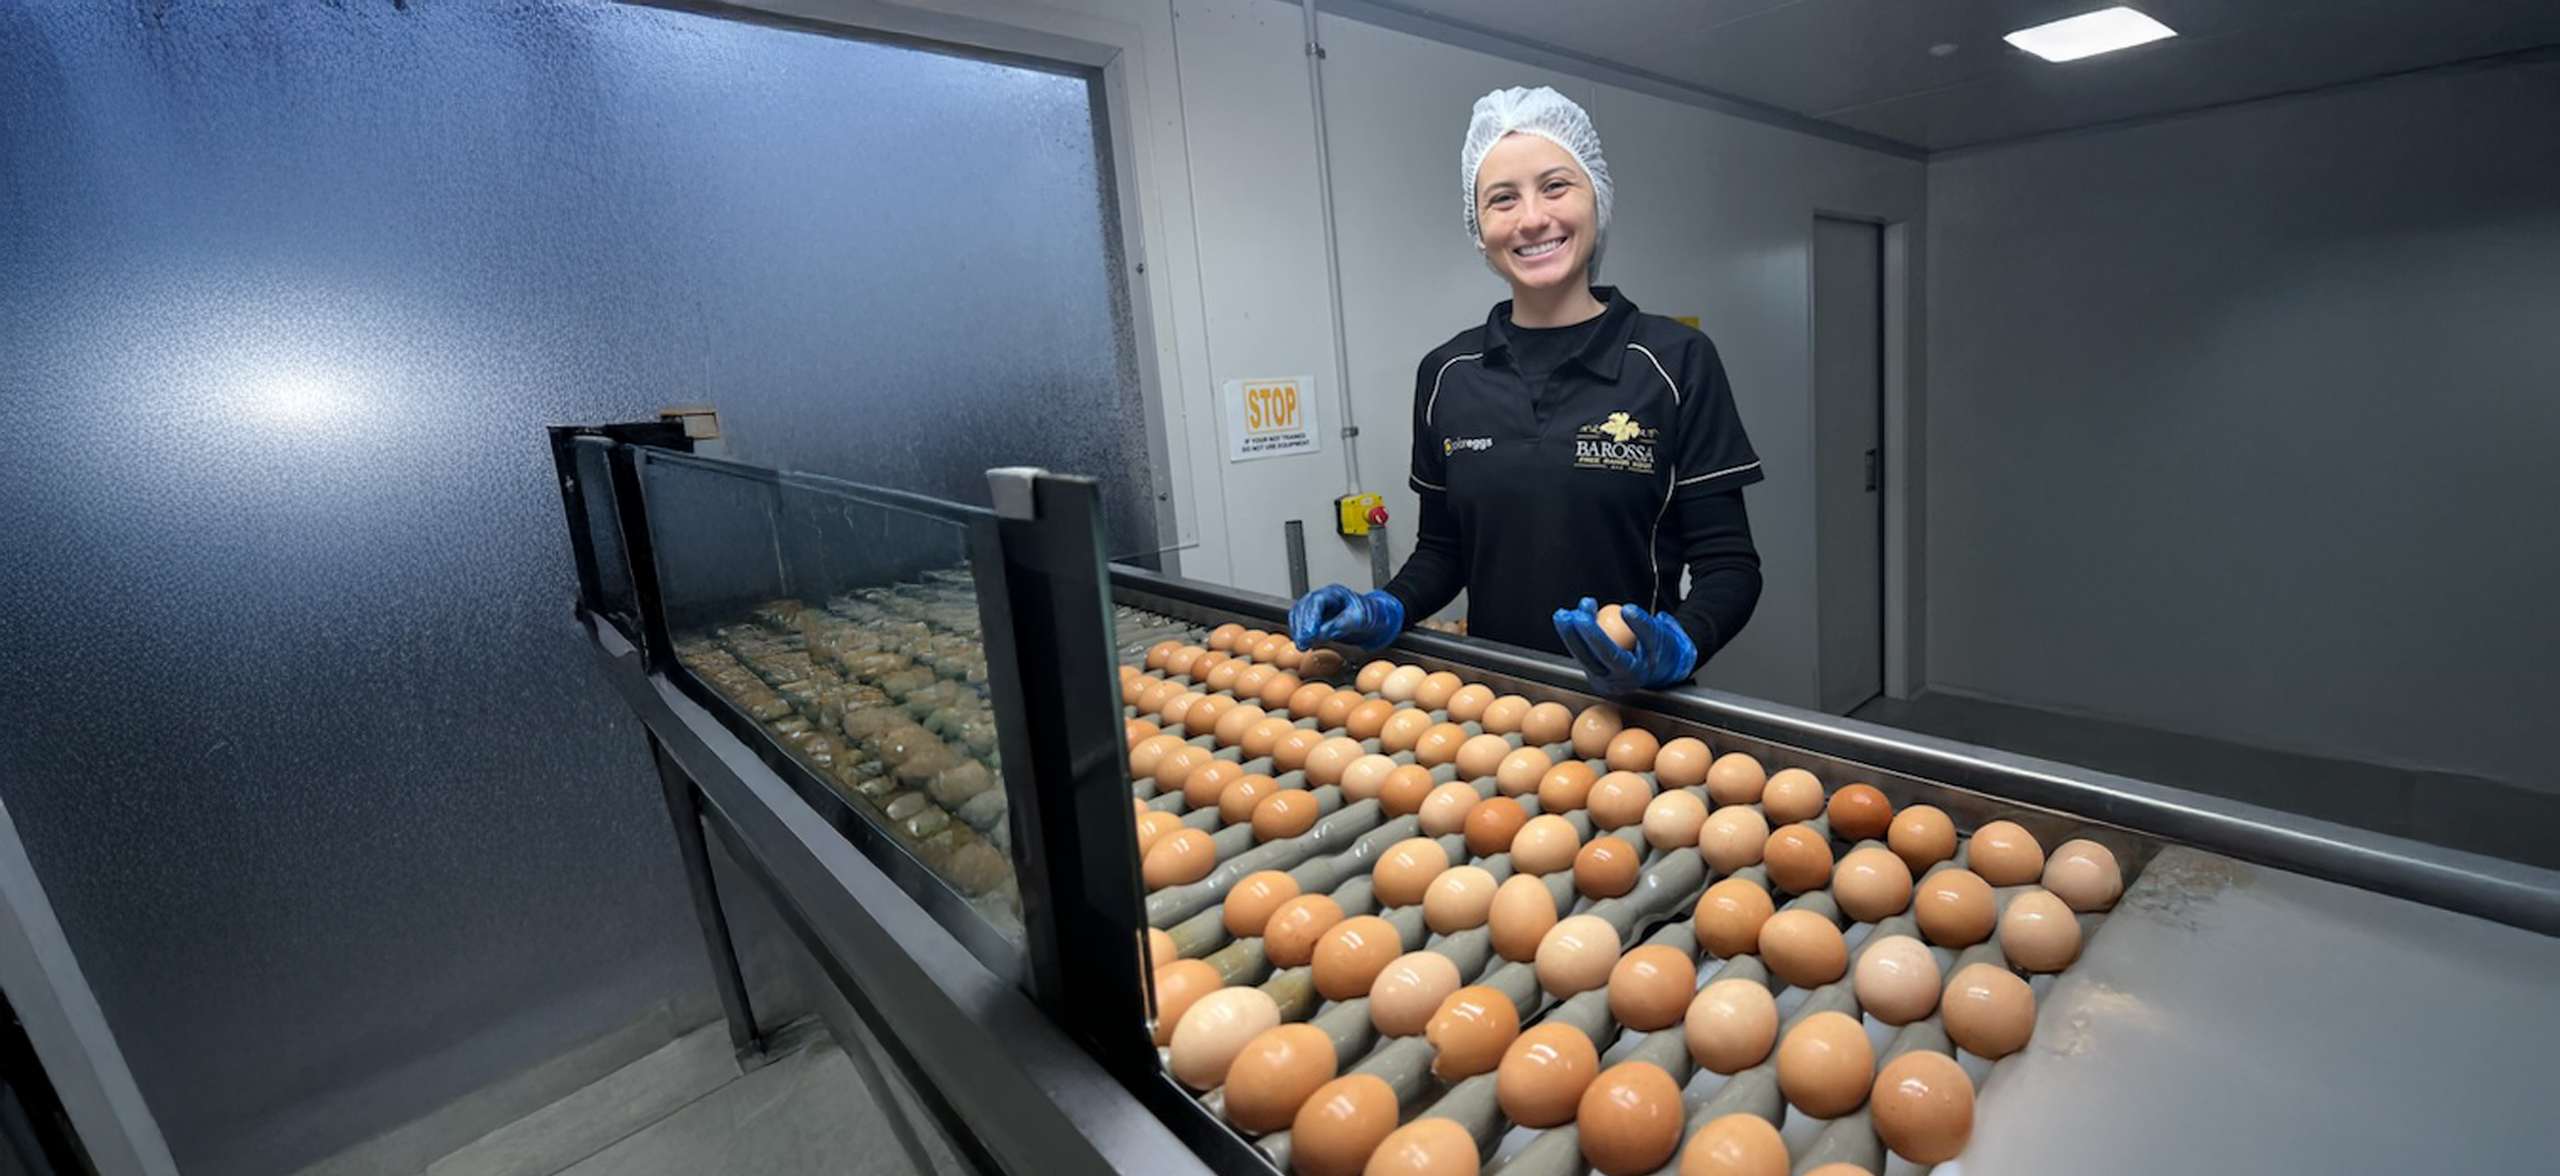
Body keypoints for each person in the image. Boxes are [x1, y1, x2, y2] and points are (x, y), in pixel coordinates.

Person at [1289, 86, 1764, 696]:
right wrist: (1385, 606)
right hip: (1497, 706)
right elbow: (1443, 551)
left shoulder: (1675, 362)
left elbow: (1729, 565)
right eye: (1503, 198)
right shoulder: (1448, 373)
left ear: (1597, 198)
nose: (1532, 218)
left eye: (1556, 186)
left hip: (1640, 714)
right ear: (1479, 226)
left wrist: (1678, 644)